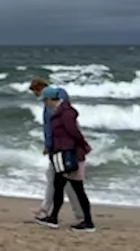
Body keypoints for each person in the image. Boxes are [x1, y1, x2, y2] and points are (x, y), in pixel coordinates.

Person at [36, 85, 96, 232]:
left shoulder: (65, 113)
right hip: (61, 155)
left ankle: (87, 223)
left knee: (78, 189)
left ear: (51, 99)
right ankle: (53, 218)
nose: (44, 103)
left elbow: (74, 133)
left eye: (45, 100)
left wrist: (83, 146)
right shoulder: (59, 111)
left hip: (71, 155)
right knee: (58, 186)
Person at [28, 77, 80, 225]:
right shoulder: (62, 95)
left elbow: (49, 128)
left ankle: (76, 215)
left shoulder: (49, 106)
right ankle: (47, 210)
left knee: (61, 181)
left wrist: (48, 145)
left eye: (35, 92)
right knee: (57, 179)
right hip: (65, 145)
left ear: (39, 89)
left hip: (59, 147)